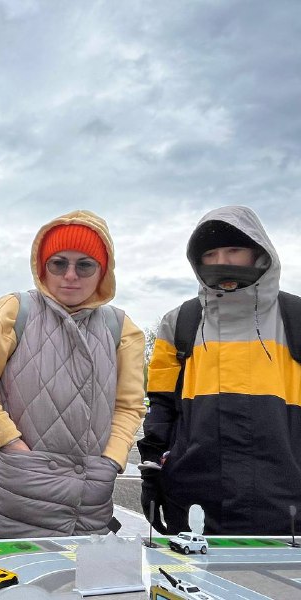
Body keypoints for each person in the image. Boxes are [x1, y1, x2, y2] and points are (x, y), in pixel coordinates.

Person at [0, 210, 145, 539]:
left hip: (87, 504)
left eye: (84, 264)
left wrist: (111, 460)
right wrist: (11, 444)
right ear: (43, 265)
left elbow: (129, 405)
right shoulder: (13, 310)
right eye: (59, 263)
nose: (71, 275)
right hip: (5, 493)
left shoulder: (122, 328)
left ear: (103, 270)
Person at [138, 205, 301, 535]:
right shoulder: (179, 322)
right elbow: (161, 408)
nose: (222, 261)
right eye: (211, 253)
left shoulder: (296, 317)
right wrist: (152, 474)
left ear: (259, 253)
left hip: (287, 505)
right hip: (194, 504)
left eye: (234, 250)